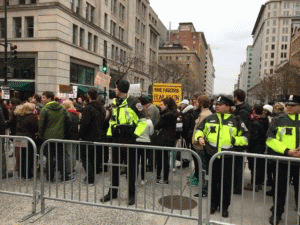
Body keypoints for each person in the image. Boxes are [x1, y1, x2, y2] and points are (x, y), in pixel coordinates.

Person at [194, 95, 248, 218]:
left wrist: (234, 141)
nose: (216, 106)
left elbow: (245, 138)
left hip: (227, 157)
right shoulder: (209, 118)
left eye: (220, 104)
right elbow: (199, 130)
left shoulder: (236, 120)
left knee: (226, 184)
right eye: (216, 104)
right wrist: (200, 137)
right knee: (212, 182)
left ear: (228, 107)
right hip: (211, 156)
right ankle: (212, 205)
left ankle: (224, 207)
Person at [100, 80, 145, 206]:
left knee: (131, 168)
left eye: (116, 88)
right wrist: (109, 135)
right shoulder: (115, 102)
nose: (115, 90)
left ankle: (131, 195)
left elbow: (144, 120)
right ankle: (112, 192)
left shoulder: (135, 102)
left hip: (130, 139)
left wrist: (136, 135)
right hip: (117, 139)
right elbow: (113, 120)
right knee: (114, 167)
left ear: (120, 89)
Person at [266, 95, 300, 225]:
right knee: (279, 191)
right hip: (282, 161)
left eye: (293, 105)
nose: (289, 107)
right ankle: (276, 214)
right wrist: (287, 151)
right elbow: (270, 139)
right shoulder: (278, 120)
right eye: (288, 105)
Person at [38, 91, 72, 182]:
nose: (42, 99)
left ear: (50, 98)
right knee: (61, 157)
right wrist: (64, 132)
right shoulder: (62, 108)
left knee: (49, 158)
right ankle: (64, 176)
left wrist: (40, 135)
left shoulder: (45, 109)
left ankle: (50, 177)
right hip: (60, 137)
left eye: (44, 97)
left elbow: (41, 124)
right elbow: (68, 121)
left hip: (48, 137)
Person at [79, 89, 106, 184]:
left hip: (88, 136)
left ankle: (90, 178)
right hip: (98, 135)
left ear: (89, 96)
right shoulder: (102, 108)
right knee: (94, 156)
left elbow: (84, 124)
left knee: (85, 157)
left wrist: (80, 134)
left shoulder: (87, 108)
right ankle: (93, 174)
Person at [153, 97, 179, 184]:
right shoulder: (175, 114)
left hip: (162, 138)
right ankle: (165, 178)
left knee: (160, 158)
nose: (160, 105)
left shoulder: (165, 116)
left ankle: (159, 177)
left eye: (162, 104)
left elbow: (157, 126)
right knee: (166, 158)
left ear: (166, 105)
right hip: (171, 138)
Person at [244, 104, 269, 191]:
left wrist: (248, 145)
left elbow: (254, 137)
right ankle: (259, 182)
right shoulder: (265, 119)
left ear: (254, 110)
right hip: (262, 145)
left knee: (254, 166)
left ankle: (254, 184)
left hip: (255, 147)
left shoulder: (255, 122)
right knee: (260, 166)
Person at [191, 95, 212, 197]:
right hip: (199, 145)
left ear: (202, 103)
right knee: (203, 167)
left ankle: (204, 189)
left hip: (201, 146)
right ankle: (204, 188)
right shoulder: (204, 114)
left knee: (203, 168)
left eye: (197, 102)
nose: (195, 103)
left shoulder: (205, 115)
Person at [233, 89, 252, 194]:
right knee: (237, 165)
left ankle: (237, 187)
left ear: (236, 97)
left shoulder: (243, 110)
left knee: (238, 166)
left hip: (240, 141)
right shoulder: (244, 108)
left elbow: (242, 127)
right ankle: (236, 186)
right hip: (240, 140)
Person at [14, 102, 38, 179]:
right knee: (29, 156)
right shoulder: (32, 117)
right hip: (29, 138)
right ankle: (28, 173)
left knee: (21, 155)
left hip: (19, 137)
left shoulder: (19, 115)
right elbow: (36, 127)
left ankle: (21, 172)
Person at [135, 106, 154, 185]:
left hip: (136, 142)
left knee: (135, 162)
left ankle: (134, 179)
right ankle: (143, 179)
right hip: (146, 142)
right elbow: (151, 132)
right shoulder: (149, 121)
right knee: (143, 161)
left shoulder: (136, 121)